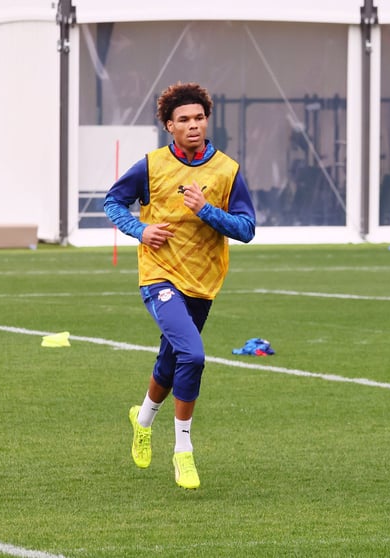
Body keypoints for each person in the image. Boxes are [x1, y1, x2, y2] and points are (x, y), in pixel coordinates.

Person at [103, 82, 256, 490]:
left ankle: (143, 419)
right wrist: (141, 229)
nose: (193, 125)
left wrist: (206, 211)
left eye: (199, 118)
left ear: (207, 121)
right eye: (184, 120)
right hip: (160, 276)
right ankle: (183, 451)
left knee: (171, 363)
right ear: (169, 126)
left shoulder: (227, 170)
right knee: (194, 354)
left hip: (203, 283)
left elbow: (247, 229)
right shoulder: (151, 166)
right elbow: (112, 202)